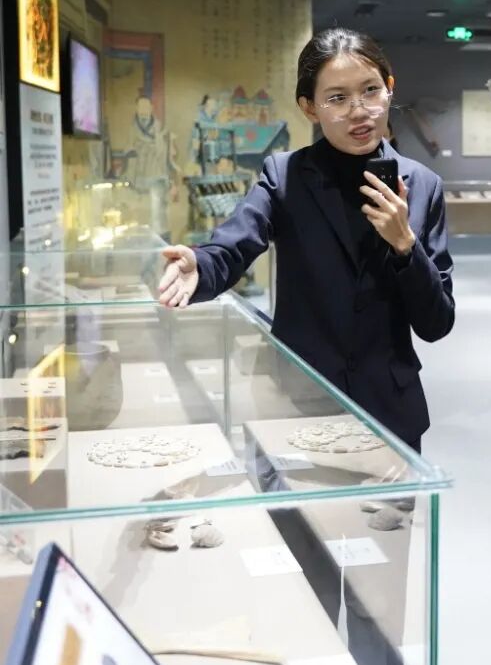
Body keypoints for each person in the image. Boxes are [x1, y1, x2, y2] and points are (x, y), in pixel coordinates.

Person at [157, 28, 455, 450]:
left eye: (371, 90)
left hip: (388, 409)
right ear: (309, 108)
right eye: (338, 98)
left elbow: (436, 322)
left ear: (389, 89)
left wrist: (405, 245)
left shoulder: (424, 185)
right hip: (298, 402)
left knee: (388, 499)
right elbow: (235, 243)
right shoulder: (285, 177)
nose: (359, 111)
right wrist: (200, 266)